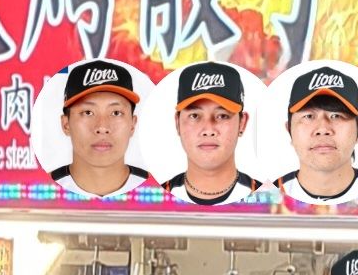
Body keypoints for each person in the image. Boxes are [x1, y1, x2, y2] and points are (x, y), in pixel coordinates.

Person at [161, 62, 261, 205]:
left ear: (242, 123)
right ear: (177, 123)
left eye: (222, 116)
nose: (208, 130)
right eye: (195, 116)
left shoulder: (266, 196)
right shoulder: (157, 196)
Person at [275, 66, 358, 204]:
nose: (323, 129)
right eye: (309, 116)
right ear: (289, 130)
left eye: (336, 115)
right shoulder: (267, 194)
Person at [50, 59, 148, 197]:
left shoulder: (156, 190)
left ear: (132, 124)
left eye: (116, 113)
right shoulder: (42, 188)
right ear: (66, 124)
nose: (102, 127)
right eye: (88, 112)